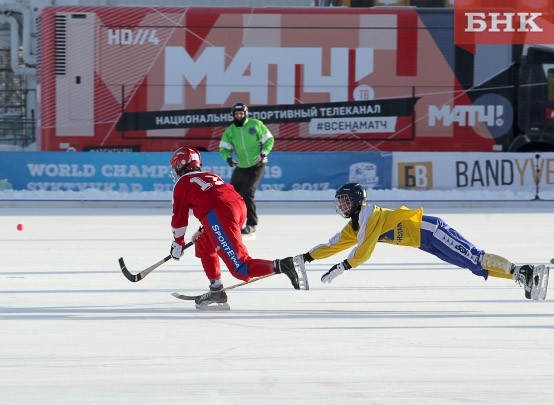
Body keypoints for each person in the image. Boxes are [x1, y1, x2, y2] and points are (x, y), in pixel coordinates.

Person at [295, 183, 549, 300]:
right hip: (425, 242)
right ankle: (522, 275)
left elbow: (363, 250)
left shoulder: (368, 215)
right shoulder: (356, 224)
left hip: (431, 230)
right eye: (340, 202)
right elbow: (334, 244)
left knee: (475, 257)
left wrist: (343, 267)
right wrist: (306, 258)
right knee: (473, 267)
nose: (341, 205)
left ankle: (521, 271)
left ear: (356, 201)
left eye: (344, 201)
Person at [168, 147, 306, 310]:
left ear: (180, 165)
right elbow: (214, 197)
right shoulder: (210, 175)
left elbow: (179, 219)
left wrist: (177, 243)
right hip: (238, 207)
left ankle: (282, 265)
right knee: (204, 245)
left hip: (220, 213)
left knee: (240, 267)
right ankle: (216, 291)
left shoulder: (182, 184)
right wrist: (202, 229)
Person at [219, 102, 275, 238]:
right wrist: (228, 158)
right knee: (232, 195)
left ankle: (251, 225)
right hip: (241, 166)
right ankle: (232, 223)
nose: (239, 115)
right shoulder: (230, 130)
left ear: (246, 114)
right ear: (233, 115)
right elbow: (224, 147)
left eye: (242, 113)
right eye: (237, 113)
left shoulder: (255, 124)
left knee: (247, 192)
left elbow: (269, 140)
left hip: (257, 165)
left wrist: (264, 153)